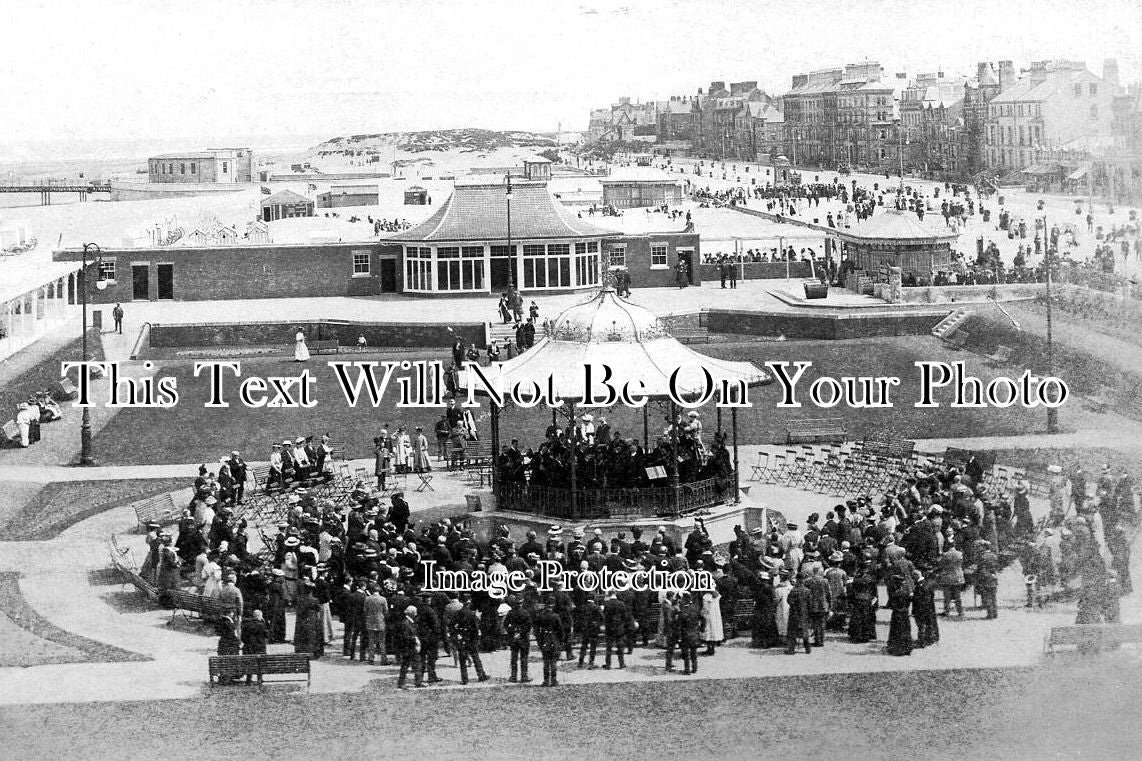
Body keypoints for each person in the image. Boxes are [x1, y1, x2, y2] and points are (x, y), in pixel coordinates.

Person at [448, 595, 488, 684]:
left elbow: (450, 626)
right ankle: (481, 675)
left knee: (462, 660)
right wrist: (477, 640)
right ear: (469, 602)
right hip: (471, 639)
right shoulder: (472, 614)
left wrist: (455, 635)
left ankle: (464, 679)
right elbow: (476, 629)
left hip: (461, 639)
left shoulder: (457, 613)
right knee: (476, 659)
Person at [534, 598, 563, 687]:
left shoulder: (540, 616)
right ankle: (554, 680)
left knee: (546, 662)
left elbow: (536, 630)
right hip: (554, 639)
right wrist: (560, 641)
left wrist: (539, 640)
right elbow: (560, 630)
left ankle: (546, 680)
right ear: (553, 605)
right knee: (553, 661)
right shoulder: (556, 616)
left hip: (544, 639)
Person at [503, 597, 533, 682]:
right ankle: (524, 676)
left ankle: (513, 676)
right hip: (523, 638)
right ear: (522, 602)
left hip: (513, 638)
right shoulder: (526, 613)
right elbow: (528, 626)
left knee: (514, 658)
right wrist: (520, 633)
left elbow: (505, 624)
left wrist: (513, 632)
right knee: (524, 658)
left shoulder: (510, 613)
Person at [603, 590, 633, 669]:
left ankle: (608, 664)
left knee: (609, 648)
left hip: (610, 628)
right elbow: (625, 616)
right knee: (620, 647)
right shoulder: (621, 604)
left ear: (609, 595)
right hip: (619, 628)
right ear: (615, 594)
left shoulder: (607, 604)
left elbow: (605, 617)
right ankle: (621, 664)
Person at [394, 605, 422, 688]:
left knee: (411, 665)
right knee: (409, 665)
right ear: (412, 613)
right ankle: (414, 682)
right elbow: (405, 636)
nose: (416, 614)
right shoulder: (406, 623)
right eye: (415, 612)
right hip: (408, 647)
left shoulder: (407, 621)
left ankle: (413, 682)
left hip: (409, 647)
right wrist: (415, 639)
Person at [785, 573, 812, 655]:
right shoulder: (807, 591)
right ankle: (807, 649)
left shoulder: (793, 590)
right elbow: (810, 603)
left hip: (794, 613)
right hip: (804, 613)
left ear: (797, 579)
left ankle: (791, 650)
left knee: (792, 632)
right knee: (805, 631)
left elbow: (789, 601)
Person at [363, 584, 390, 665]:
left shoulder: (367, 599)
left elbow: (365, 610)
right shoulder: (383, 599)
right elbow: (386, 611)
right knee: (382, 642)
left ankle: (371, 658)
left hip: (370, 621)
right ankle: (383, 659)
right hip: (380, 622)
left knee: (371, 642)